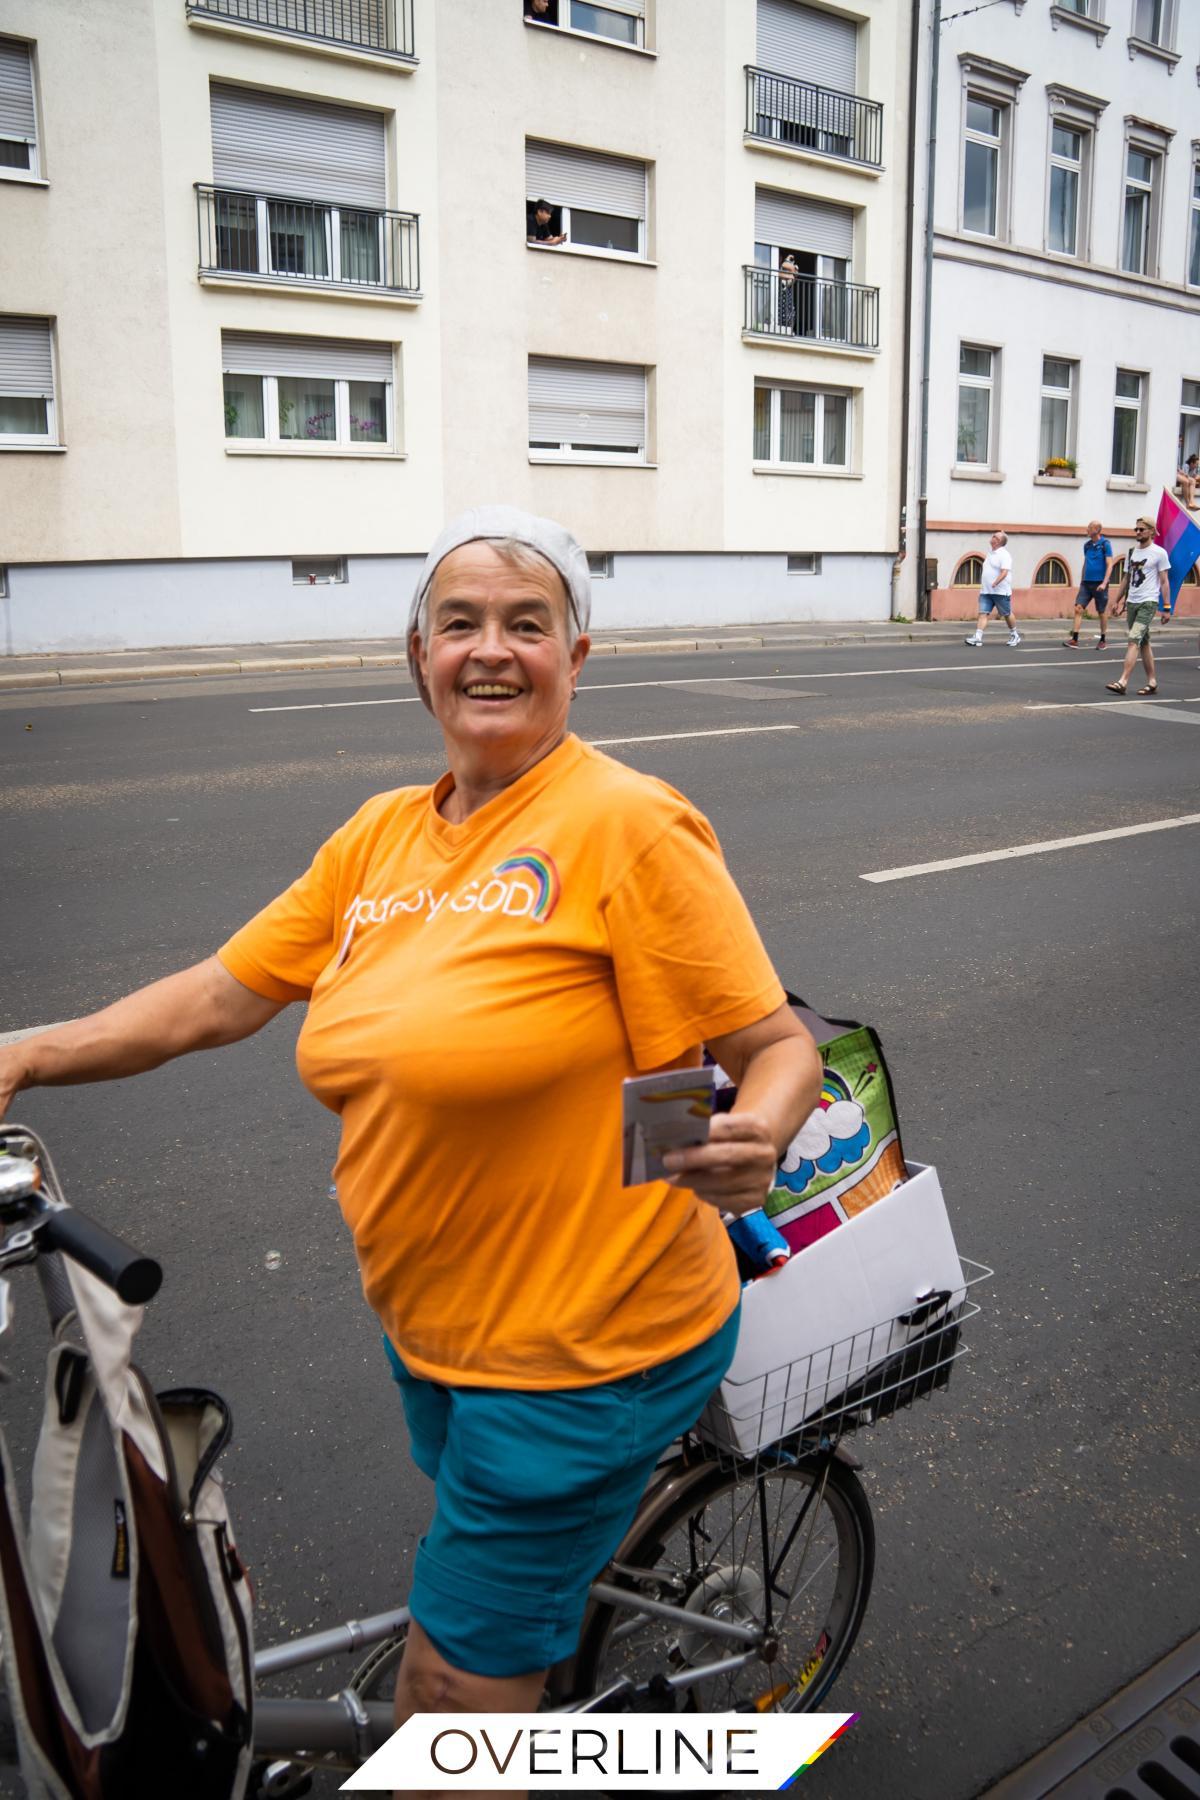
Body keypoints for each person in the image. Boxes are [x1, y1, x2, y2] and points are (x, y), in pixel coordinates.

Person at [0, 506, 821, 1761]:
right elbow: (221, 994)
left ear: (577, 656)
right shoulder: (380, 834)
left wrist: (757, 1130)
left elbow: (774, 1048)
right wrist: (28, 1053)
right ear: (417, 656)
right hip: (436, 1324)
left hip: (584, 1348)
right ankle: (533, 1618)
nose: (492, 650)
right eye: (461, 624)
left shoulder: (627, 824)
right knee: (494, 1570)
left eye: (527, 624)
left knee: (451, 1719)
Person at [1106, 515, 1170, 696]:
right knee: (1144, 642)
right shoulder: (1132, 552)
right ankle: (1152, 682)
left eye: (1141, 529)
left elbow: (1164, 581)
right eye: (1136, 529)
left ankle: (1123, 681)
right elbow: (1126, 578)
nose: (1138, 532)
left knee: (1134, 639)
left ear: (1151, 531)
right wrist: (1117, 600)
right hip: (1132, 603)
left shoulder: (1159, 553)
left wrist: (1166, 607)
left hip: (1148, 602)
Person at [964, 530, 1021, 648]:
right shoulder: (991, 552)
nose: (992, 537)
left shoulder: (1004, 555)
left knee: (1006, 613)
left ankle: (1014, 634)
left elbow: (1004, 572)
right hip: (986, 591)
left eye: (994, 536)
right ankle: (978, 638)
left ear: (998, 541)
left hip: (1000, 591)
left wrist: (995, 583)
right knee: (982, 613)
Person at [1063, 521, 1114, 649]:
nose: (1087, 529)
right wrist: (1082, 580)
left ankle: (1102, 640)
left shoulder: (1105, 545)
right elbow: (1086, 563)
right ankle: (1074, 639)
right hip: (1086, 583)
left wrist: (1104, 582)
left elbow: (1110, 564)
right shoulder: (1087, 545)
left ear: (1097, 530)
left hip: (1100, 584)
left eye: (1089, 528)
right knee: (1078, 608)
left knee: (1101, 612)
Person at [777, 253, 799, 334]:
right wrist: (788, 262)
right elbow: (785, 266)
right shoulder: (779, 268)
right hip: (780, 302)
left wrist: (793, 272)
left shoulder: (784, 270)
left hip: (787, 301)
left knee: (790, 314)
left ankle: (789, 330)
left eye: (780, 257)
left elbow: (793, 278)